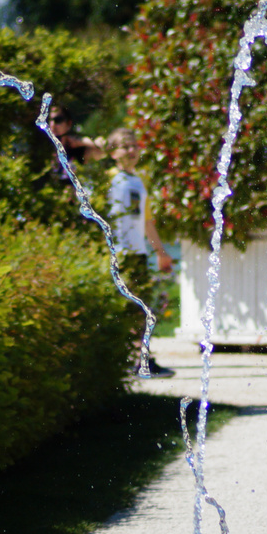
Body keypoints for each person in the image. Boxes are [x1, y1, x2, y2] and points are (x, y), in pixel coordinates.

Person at [105, 127, 176, 378]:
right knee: (123, 309)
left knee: (142, 308)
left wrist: (160, 252)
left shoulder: (137, 181)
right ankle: (127, 360)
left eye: (135, 145)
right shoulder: (109, 179)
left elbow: (146, 221)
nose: (132, 150)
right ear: (113, 152)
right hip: (117, 254)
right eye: (126, 146)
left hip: (136, 254)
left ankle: (142, 359)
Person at [45, 102, 105, 186]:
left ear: (69, 123)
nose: (52, 125)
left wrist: (80, 141)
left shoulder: (77, 150)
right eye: (49, 120)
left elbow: (103, 149)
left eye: (58, 120)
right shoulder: (44, 147)